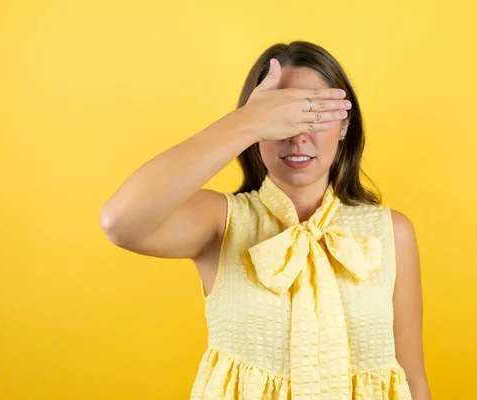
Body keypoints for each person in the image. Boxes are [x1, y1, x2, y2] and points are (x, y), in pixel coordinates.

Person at [100, 41, 430, 399]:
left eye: (315, 114)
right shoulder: (221, 223)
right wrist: (245, 123)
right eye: (282, 117)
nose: (298, 136)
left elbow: (412, 378)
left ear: (344, 125)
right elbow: (120, 221)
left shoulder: (391, 232)